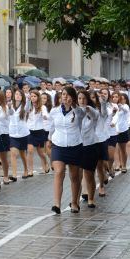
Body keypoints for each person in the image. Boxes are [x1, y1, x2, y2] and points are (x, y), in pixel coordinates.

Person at [48, 87, 84, 215]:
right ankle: (56, 204)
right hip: (58, 145)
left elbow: (82, 114)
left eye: (68, 95)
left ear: (73, 98)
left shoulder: (77, 112)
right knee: (59, 172)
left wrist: (74, 106)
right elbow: (51, 128)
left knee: (74, 177)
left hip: (75, 145)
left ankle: (75, 202)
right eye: (63, 94)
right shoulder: (54, 111)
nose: (65, 97)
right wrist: (49, 140)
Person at [7, 88, 31, 179]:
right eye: (16, 94)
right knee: (13, 153)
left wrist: (28, 99)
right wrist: (9, 107)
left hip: (23, 134)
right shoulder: (10, 104)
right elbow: (10, 113)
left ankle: (26, 170)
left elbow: (28, 108)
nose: (17, 96)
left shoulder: (24, 105)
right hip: (13, 134)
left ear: (22, 97)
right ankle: (14, 174)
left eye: (20, 95)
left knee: (22, 154)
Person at [27, 90, 50, 174]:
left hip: (39, 131)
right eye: (31, 96)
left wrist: (45, 116)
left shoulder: (42, 107)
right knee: (30, 150)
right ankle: (30, 170)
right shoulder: (28, 106)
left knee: (41, 152)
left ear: (38, 97)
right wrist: (27, 100)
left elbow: (45, 114)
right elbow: (24, 110)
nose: (33, 98)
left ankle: (46, 163)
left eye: (34, 96)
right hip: (30, 131)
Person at [113, 92, 130, 173]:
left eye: (117, 97)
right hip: (113, 131)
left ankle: (124, 165)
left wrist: (120, 107)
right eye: (114, 97)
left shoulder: (125, 106)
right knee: (114, 149)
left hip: (122, 130)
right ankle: (117, 164)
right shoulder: (112, 106)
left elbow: (126, 110)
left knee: (122, 149)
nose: (115, 98)